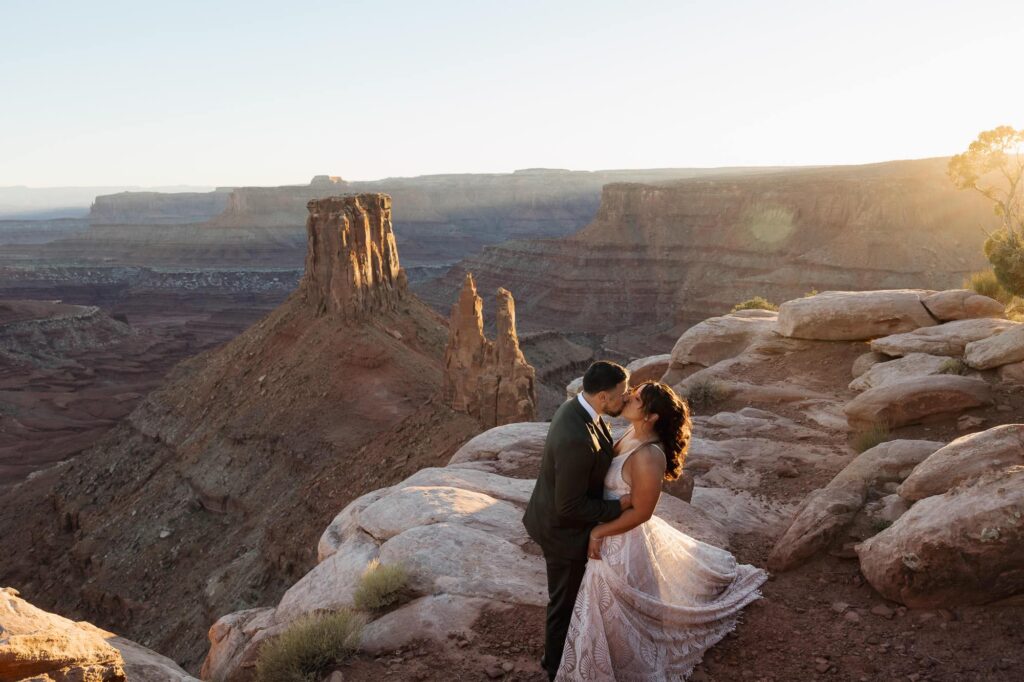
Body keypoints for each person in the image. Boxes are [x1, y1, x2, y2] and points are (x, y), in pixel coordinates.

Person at [556, 381, 768, 681]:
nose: (629, 396)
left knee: (608, 604)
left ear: (652, 416)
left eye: (638, 397)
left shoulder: (648, 455)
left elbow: (643, 512)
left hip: (622, 542)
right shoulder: (632, 432)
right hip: (611, 525)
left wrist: (599, 532)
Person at [523, 361, 634, 681]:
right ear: (602, 396)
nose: (624, 400)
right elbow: (569, 506)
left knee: (572, 598)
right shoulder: (576, 437)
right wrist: (620, 506)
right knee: (564, 603)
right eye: (621, 395)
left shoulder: (582, 409)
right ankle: (555, 668)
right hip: (563, 534)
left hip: (562, 521)